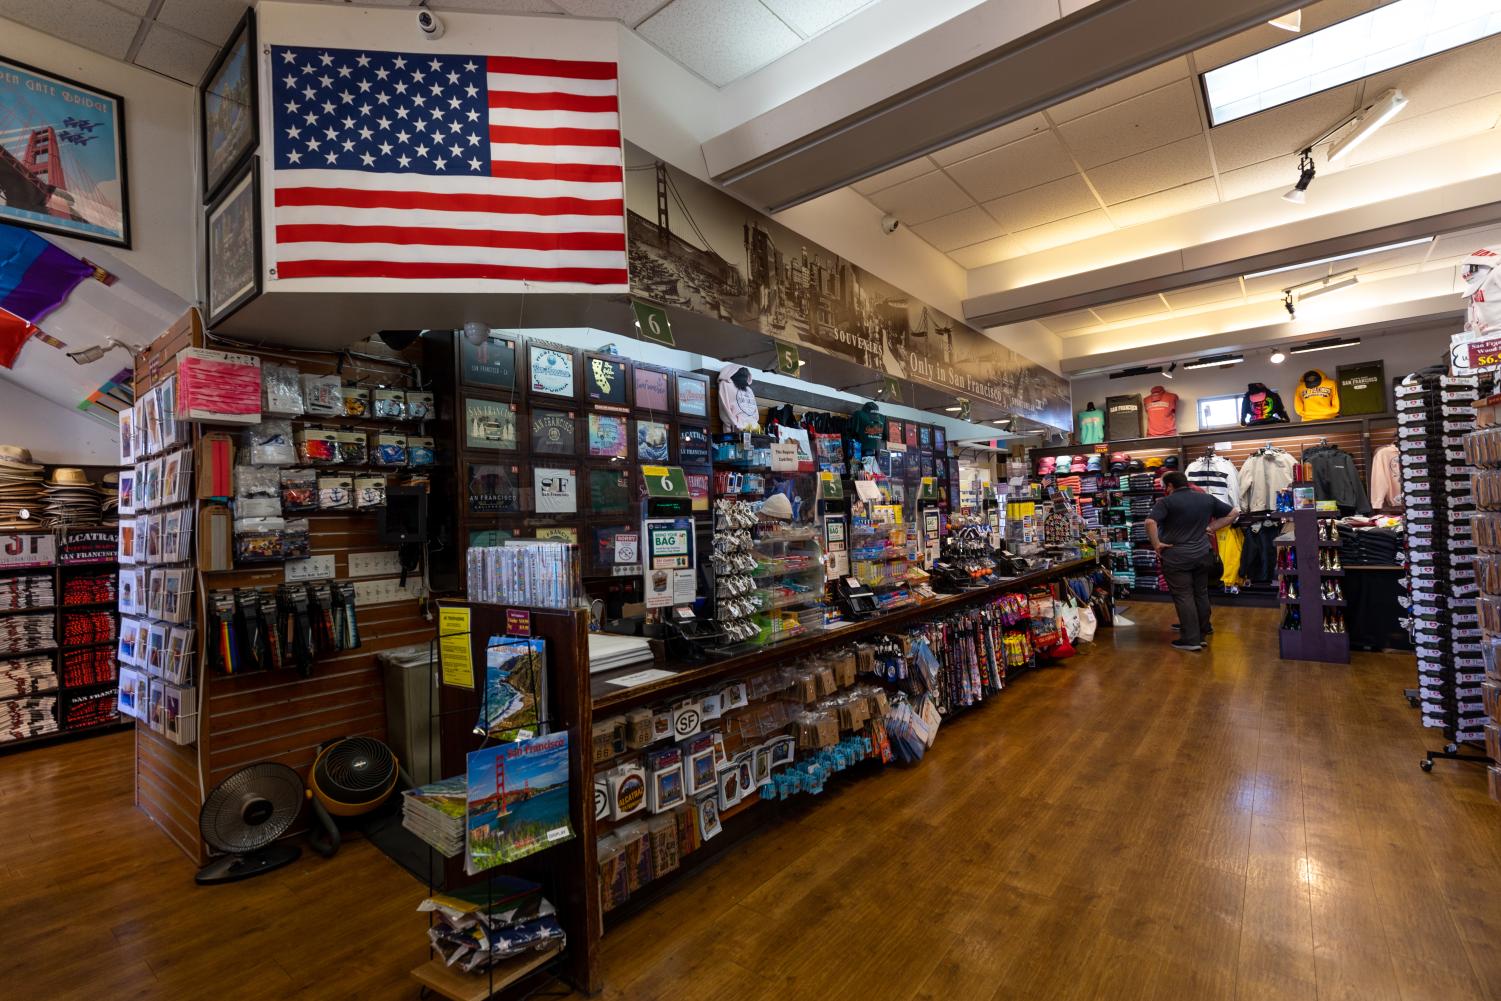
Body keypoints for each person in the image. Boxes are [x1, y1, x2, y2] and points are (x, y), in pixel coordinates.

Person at [1146, 471, 1240, 652]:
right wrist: (1211, 527)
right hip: (1203, 554)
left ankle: (1191, 639)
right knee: (1201, 593)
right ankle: (1203, 630)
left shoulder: (1165, 502)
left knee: (1184, 595)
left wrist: (1156, 544)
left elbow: (1150, 522)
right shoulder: (1206, 499)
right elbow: (1234, 512)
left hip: (1177, 556)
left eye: (1164, 486)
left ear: (1170, 486)